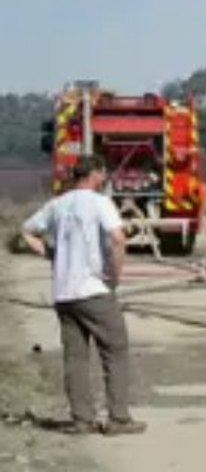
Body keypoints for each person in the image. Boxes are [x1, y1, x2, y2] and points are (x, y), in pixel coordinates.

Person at [20, 155, 146, 436]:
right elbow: (117, 239)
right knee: (115, 350)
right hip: (93, 290)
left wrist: (52, 255)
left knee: (75, 358)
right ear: (97, 174)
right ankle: (118, 419)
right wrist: (114, 275)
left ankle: (82, 420)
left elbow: (27, 231)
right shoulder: (100, 203)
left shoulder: (58, 204)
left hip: (64, 293)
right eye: (104, 174)